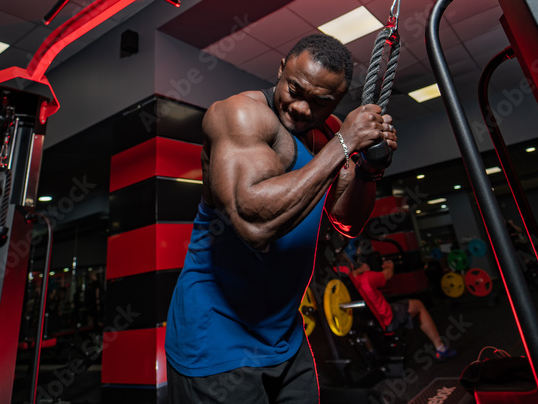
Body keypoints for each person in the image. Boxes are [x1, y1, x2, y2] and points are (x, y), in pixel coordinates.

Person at [165, 33, 397, 403]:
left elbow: (346, 222)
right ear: (280, 70)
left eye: (321, 102)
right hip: (216, 337)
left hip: (286, 336)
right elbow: (253, 226)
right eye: (294, 89)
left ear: (336, 101)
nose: (303, 108)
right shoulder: (240, 115)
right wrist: (344, 145)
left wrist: (369, 169)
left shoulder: (327, 135)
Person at [347, 253, 458, 361]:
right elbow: (388, 275)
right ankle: (441, 348)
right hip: (387, 320)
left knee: (364, 320)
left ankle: (371, 352)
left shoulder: (346, 287)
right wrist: (390, 266)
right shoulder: (366, 277)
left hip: (369, 325)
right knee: (418, 305)